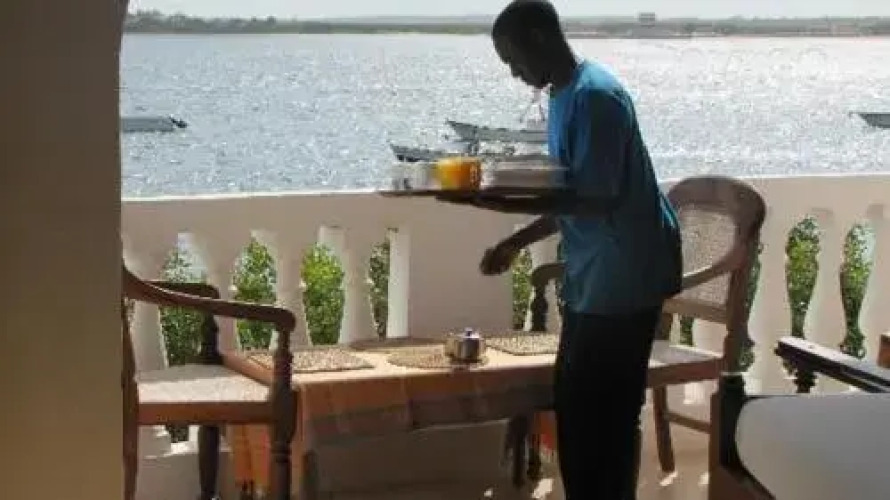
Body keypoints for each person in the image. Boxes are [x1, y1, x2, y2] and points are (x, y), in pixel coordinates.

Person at [437, 1, 683, 498]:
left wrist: (496, 201)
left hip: (625, 275)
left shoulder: (596, 98)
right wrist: (515, 240)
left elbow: (595, 198)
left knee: (606, 415)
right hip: (594, 277)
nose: (514, 73)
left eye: (513, 59)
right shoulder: (563, 96)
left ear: (540, 38)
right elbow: (570, 193)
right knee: (576, 407)